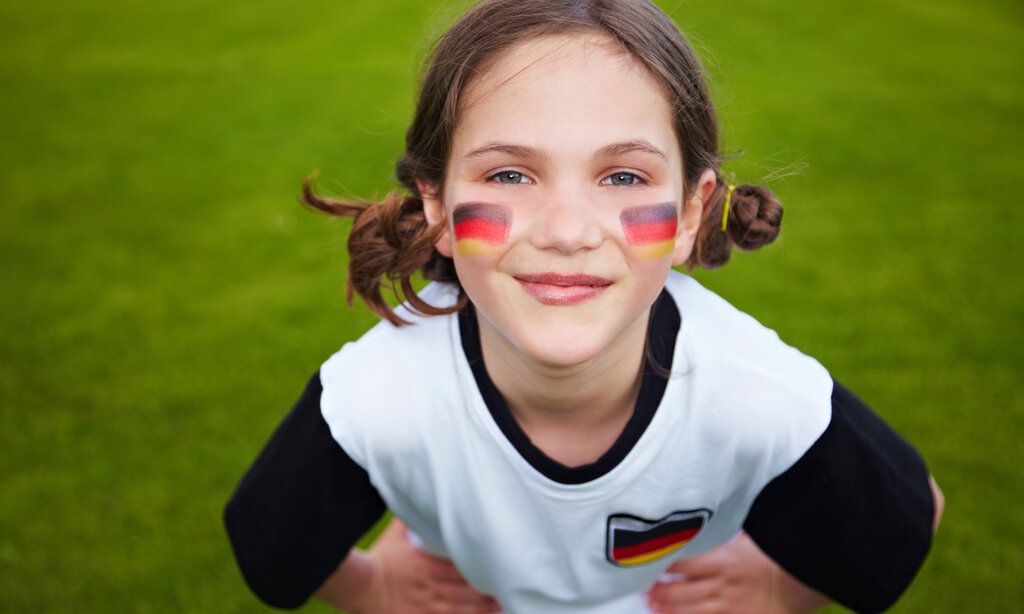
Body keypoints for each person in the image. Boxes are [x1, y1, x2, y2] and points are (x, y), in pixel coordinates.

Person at [224, 1, 944, 612]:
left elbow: (908, 521)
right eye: (510, 173)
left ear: (693, 210)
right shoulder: (375, 401)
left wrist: (783, 590)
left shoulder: (757, 395)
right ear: (436, 203)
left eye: (623, 174)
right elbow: (270, 551)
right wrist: (374, 585)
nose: (567, 231)